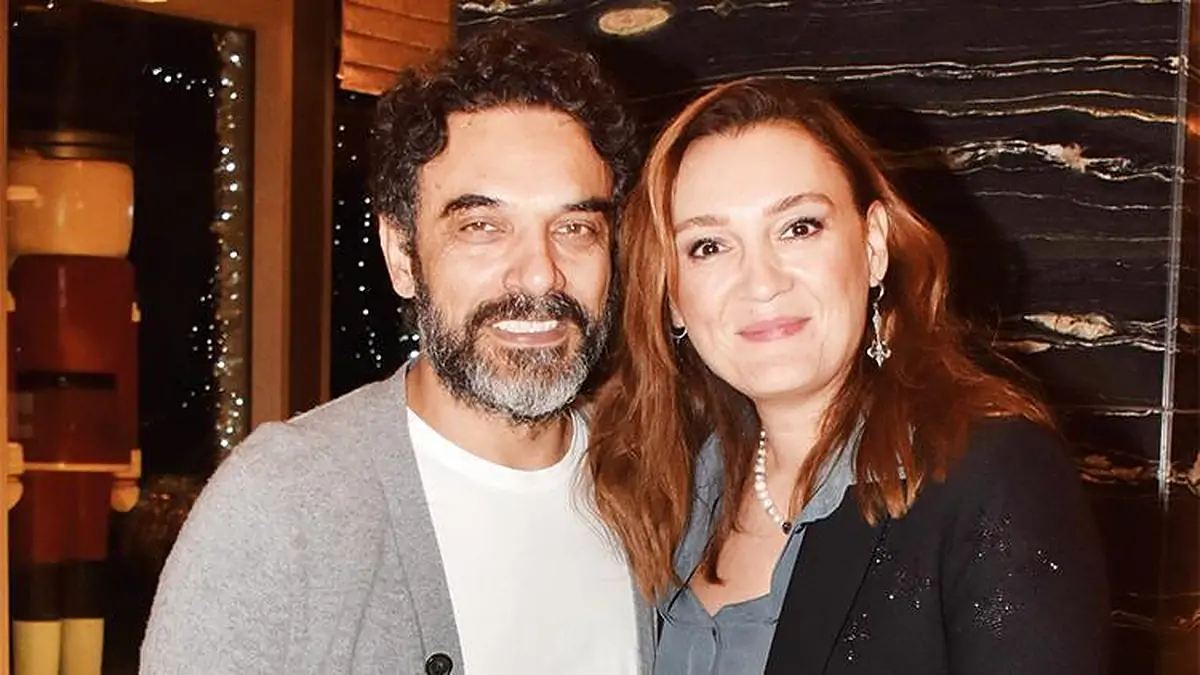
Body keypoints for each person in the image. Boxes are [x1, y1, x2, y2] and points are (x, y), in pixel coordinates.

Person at [140, 24, 652, 675]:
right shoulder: (284, 504)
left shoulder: (657, 481)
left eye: (575, 227)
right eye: (482, 226)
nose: (538, 275)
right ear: (402, 255)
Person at [588, 77, 1109, 675]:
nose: (762, 282)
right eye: (708, 246)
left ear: (874, 246)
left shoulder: (991, 473)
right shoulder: (661, 489)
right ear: (671, 295)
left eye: (799, 227)